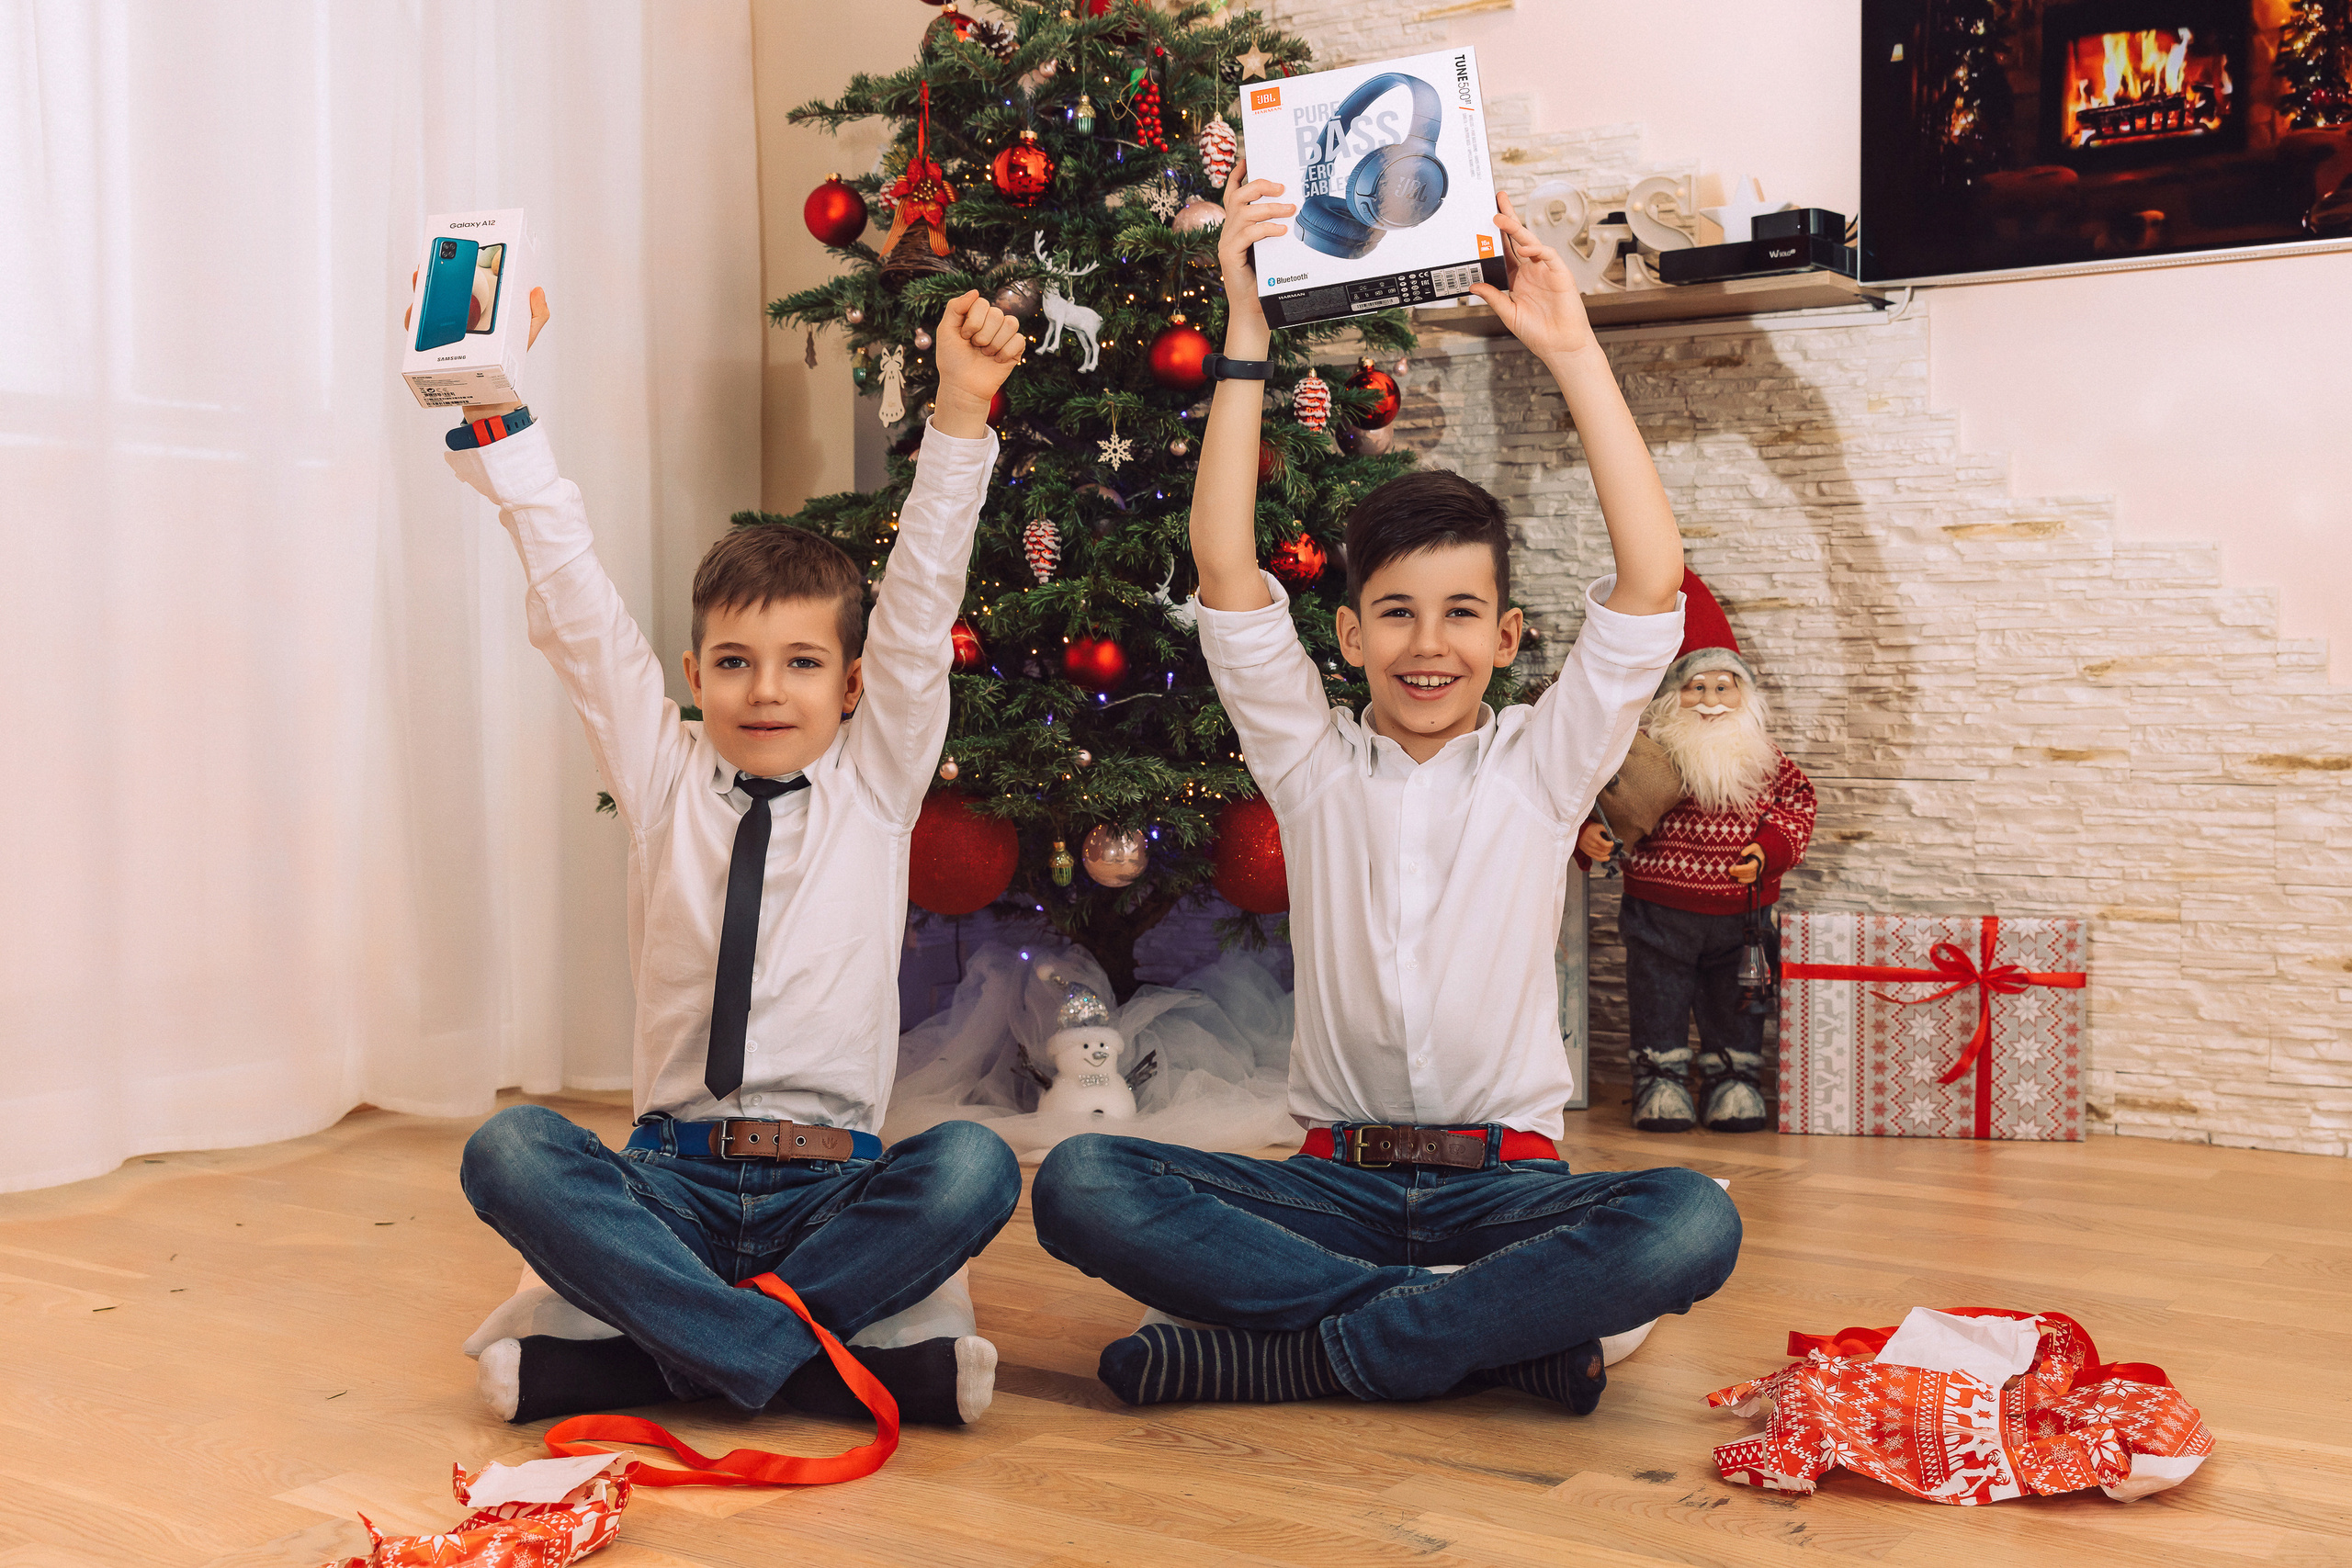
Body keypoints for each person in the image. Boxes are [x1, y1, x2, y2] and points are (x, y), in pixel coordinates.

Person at [1027, 165, 1742, 1415]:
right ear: (1348, 636)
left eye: (1461, 613)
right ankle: (1480, 1341)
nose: (1430, 643)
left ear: (1509, 634)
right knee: (1080, 1180)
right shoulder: (1310, 762)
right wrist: (1245, 334)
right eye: (1397, 613)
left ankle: (1298, 1352)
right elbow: (1224, 563)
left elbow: (1651, 586)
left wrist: (1574, 352)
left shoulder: (1541, 758)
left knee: (1689, 1218)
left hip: (1507, 1187)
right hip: (1331, 1190)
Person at [447, 289, 1028, 1428]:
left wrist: (962, 405)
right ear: (693, 673)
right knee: (509, 1148)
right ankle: (790, 1355)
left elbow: (919, 609)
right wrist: (498, 408)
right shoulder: (665, 778)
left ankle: (673, 1353)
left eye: (802, 663)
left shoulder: (876, 782)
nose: (766, 690)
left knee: (971, 1166)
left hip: (837, 1184)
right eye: (734, 663)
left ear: (851, 687)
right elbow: (574, 604)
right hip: (671, 1179)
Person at [1579, 574, 1816, 1134]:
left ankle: (1733, 1080)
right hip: (1658, 912)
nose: (1710, 703)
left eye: (1723, 688)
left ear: (1744, 696)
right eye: (1695, 689)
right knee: (1656, 995)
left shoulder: (1764, 761)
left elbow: (1797, 805)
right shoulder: (1645, 755)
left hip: (1743, 918)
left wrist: (1767, 850)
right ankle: (1659, 1080)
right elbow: (1595, 797)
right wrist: (1588, 835)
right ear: (1671, 695)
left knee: (1735, 999)